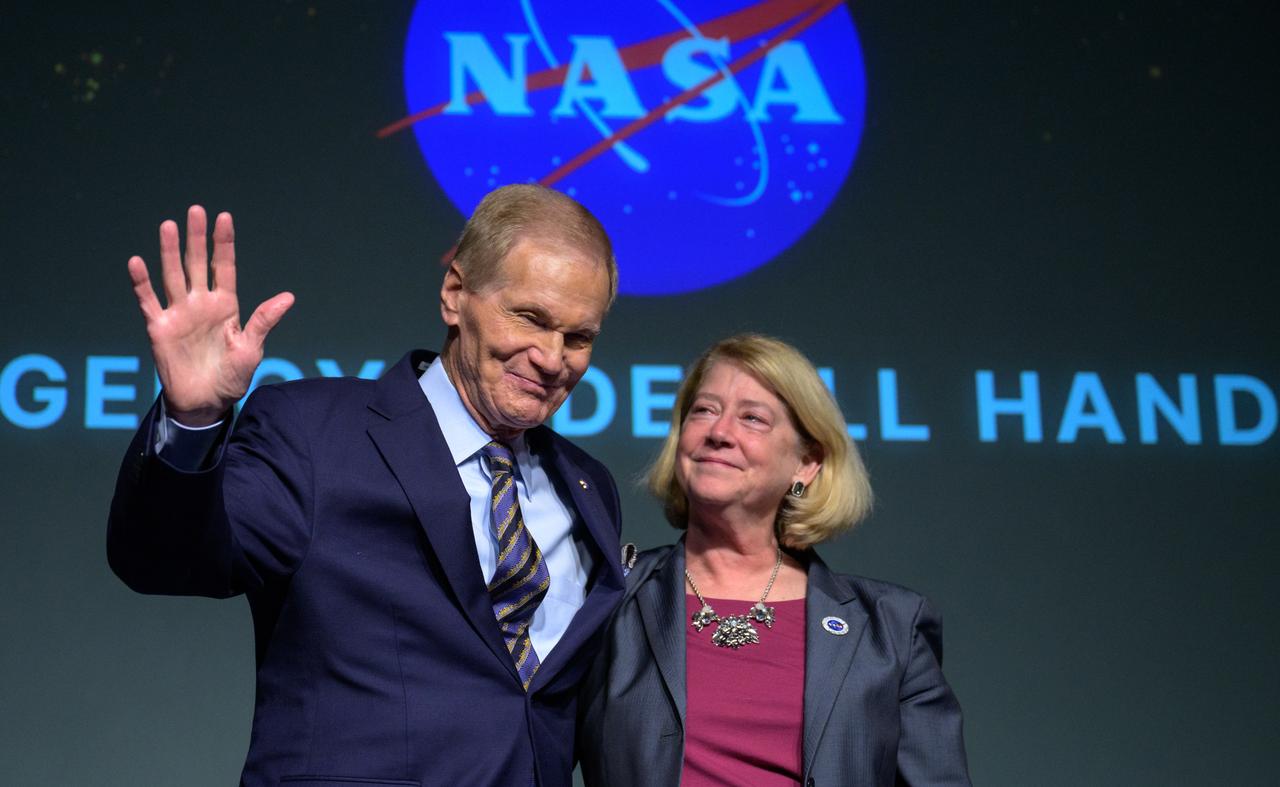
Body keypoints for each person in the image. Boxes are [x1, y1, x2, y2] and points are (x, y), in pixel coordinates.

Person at [108, 184, 625, 787]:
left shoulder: (588, 488)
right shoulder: (315, 434)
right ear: (455, 294)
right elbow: (166, 560)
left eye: (578, 337)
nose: (551, 356)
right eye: (530, 318)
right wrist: (193, 419)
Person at [578, 334, 970, 786]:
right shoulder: (610, 596)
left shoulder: (890, 628)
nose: (719, 433)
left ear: (806, 463)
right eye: (703, 410)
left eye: (753, 419)